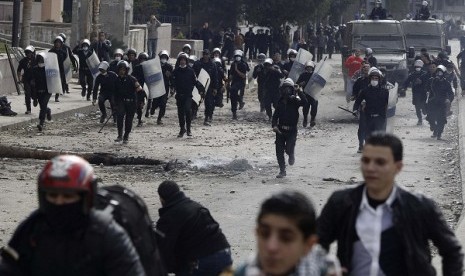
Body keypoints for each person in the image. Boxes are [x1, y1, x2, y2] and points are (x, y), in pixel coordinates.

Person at [318, 132, 464, 275]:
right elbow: (314, 243)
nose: (370, 168)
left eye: (380, 162)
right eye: (366, 160)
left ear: (398, 167)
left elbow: (452, 251)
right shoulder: (341, 203)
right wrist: (325, 268)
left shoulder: (419, 206)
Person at [0, 155, 146, 276]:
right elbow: (9, 268)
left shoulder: (106, 235)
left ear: (85, 197)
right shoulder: (32, 228)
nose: (59, 202)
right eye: (53, 195)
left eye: (68, 196)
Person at [235, 191, 341, 276]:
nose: (271, 247)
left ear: (308, 245)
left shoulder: (326, 268)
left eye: (286, 238)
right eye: (264, 234)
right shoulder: (243, 271)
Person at [155, 180, 232, 275]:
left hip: (202, 261)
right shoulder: (196, 206)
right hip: (225, 253)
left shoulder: (167, 218)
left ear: (161, 198)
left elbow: (164, 253)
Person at [272, 78, 307, 178]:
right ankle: (282, 170)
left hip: (292, 131)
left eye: (289, 88)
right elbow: (275, 116)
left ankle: (291, 154)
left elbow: (304, 102)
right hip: (280, 131)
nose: (286, 91)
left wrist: (299, 91)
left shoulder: (294, 101)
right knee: (279, 152)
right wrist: (274, 126)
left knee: (288, 149)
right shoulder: (279, 102)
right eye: (285, 88)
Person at [113, 60, 144, 144]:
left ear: (126, 70)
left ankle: (126, 136)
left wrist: (141, 102)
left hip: (132, 102)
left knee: (128, 120)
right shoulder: (116, 80)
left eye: (123, 70)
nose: (122, 72)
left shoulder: (132, 79)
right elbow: (115, 93)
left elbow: (140, 91)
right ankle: (120, 135)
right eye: (120, 69)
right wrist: (115, 104)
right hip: (121, 102)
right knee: (119, 117)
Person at [172, 53, 202, 137]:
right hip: (179, 95)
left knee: (188, 110)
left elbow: (195, 81)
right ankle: (182, 129)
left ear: (186, 61)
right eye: (181, 60)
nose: (182, 61)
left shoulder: (190, 71)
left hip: (188, 95)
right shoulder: (176, 71)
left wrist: (200, 90)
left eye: (184, 60)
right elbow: (173, 82)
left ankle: (188, 129)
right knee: (180, 113)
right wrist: (172, 88)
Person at [353, 67, 389, 137]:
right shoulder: (365, 91)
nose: (374, 80)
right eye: (372, 78)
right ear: (370, 79)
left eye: (376, 79)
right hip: (368, 118)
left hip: (380, 118)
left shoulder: (385, 92)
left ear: (379, 80)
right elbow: (357, 102)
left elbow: (390, 103)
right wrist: (355, 109)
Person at [426, 65, 454, 140]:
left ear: (444, 74)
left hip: (442, 104)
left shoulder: (446, 83)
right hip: (432, 102)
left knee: (441, 120)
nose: (438, 74)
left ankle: (439, 134)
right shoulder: (432, 81)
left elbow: (451, 93)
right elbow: (426, 89)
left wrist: (449, 99)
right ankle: (435, 129)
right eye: (437, 72)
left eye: (440, 73)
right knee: (430, 117)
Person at [146, 50, 173, 125]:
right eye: (162, 57)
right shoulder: (155, 65)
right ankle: (153, 108)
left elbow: (172, 78)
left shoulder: (169, 67)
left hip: (165, 87)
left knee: (163, 103)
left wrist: (172, 86)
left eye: (165, 57)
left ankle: (159, 118)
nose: (163, 58)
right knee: (156, 101)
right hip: (156, 86)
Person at [193, 49, 218, 126]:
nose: (205, 56)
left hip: (209, 86)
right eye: (204, 54)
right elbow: (193, 74)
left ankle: (207, 117)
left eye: (207, 54)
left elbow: (215, 77)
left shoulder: (212, 65)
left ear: (209, 55)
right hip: (199, 86)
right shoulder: (197, 64)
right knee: (195, 102)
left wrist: (215, 88)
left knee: (209, 103)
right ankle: (193, 115)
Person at [351, 62, 372, 152]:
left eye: (367, 67)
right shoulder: (359, 81)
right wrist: (354, 97)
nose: (366, 69)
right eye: (364, 67)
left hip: (373, 107)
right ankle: (361, 144)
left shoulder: (376, 80)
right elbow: (354, 94)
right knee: (362, 126)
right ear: (362, 69)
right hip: (362, 107)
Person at [30, 54, 52, 132]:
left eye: (42, 61)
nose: (40, 62)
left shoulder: (48, 69)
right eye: (39, 61)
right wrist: (34, 98)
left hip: (47, 91)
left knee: (43, 106)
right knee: (43, 106)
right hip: (38, 92)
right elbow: (32, 82)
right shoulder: (34, 70)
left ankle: (41, 123)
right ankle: (48, 110)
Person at [228, 50, 249, 119]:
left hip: (241, 82)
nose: (237, 58)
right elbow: (231, 74)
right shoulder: (233, 64)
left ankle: (240, 101)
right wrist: (228, 80)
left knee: (233, 90)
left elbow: (243, 75)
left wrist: (237, 70)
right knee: (232, 96)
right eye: (236, 56)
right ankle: (234, 113)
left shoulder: (243, 64)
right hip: (234, 81)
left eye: (239, 56)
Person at [297, 61, 318, 127]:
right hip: (305, 93)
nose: (309, 69)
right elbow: (297, 84)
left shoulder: (315, 75)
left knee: (314, 105)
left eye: (310, 67)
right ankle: (305, 119)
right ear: (306, 68)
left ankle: (312, 119)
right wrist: (301, 84)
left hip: (313, 93)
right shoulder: (302, 75)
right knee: (306, 107)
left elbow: (320, 83)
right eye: (308, 67)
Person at [131, 52, 149, 127]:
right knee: (137, 105)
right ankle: (138, 119)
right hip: (138, 89)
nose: (143, 61)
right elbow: (132, 77)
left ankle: (140, 119)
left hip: (146, 89)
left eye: (144, 59)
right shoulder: (136, 67)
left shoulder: (149, 68)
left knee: (142, 104)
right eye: (141, 59)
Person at [17, 45, 35, 114]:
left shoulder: (36, 60)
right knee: (27, 94)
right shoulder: (23, 61)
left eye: (30, 52)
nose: (28, 54)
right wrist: (19, 79)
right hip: (26, 80)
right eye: (27, 53)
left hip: (34, 80)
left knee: (34, 95)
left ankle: (35, 99)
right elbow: (19, 70)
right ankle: (28, 109)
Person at [49, 36, 68, 102]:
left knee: (59, 83)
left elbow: (65, 58)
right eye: (56, 42)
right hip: (53, 69)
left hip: (60, 69)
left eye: (59, 43)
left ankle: (57, 97)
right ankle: (48, 95)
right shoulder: (51, 51)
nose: (57, 44)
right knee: (51, 82)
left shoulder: (63, 52)